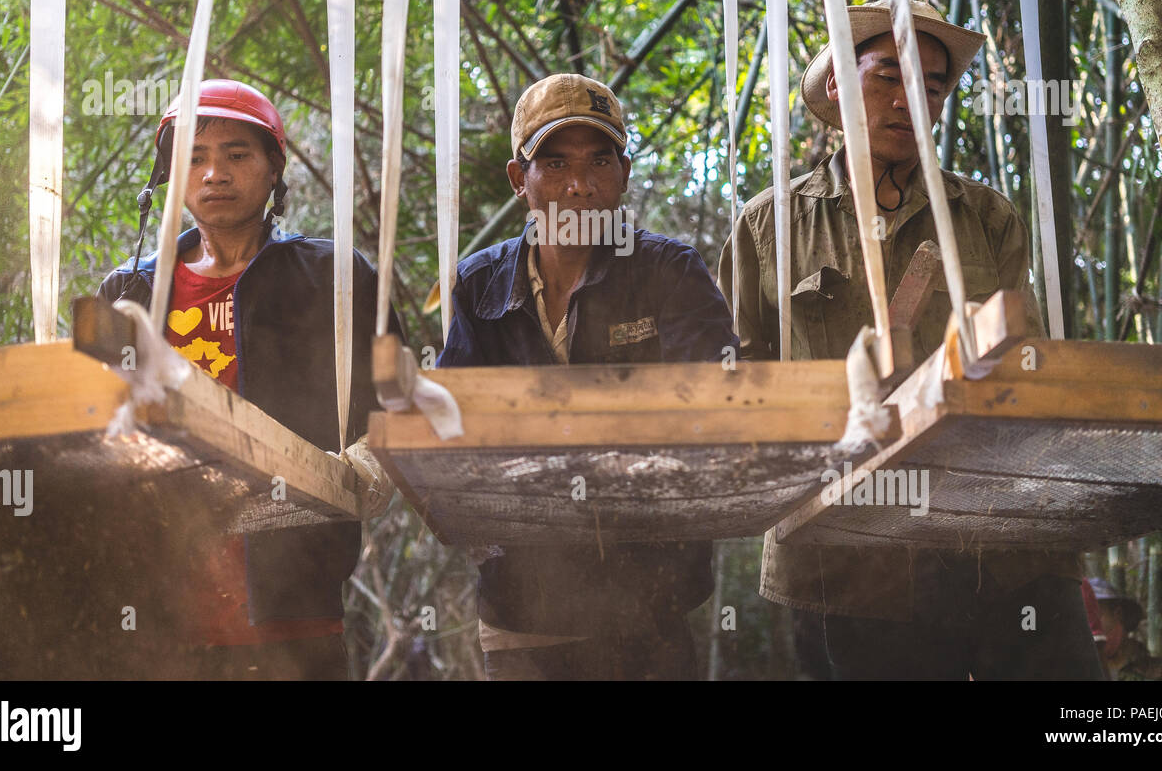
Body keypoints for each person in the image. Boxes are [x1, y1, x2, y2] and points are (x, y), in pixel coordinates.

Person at [720, 0, 1101, 679]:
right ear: (837, 85)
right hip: (849, 550)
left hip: (999, 537)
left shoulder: (984, 217)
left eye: (930, 87)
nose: (907, 102)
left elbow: (1031, 371)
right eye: (886, 78)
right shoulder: (767, 227)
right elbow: (738, 384)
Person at [98, 78, 402, 679]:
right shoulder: (128, 293)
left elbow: (399, 408)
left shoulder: (336, 280)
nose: (215, 173)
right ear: (171, 177)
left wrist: (359, 475)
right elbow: (99, 434)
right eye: (195, 158)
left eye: (237, 154)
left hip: (296, 605)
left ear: (273, 172)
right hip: (162, 609)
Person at [438, 72, 739, 680]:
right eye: (554, 163)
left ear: (623, 176)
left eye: (600, 161)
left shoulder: (667, 271)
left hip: (649, 601)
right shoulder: (480, 283)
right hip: (520, 599)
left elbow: (715, 411)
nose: (580, 186)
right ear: (519, 180)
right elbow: (453, 434)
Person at [1086, 576, 1162, 680]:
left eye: (1094, 615)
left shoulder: (1160, 672)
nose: (1089, 624)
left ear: (1118, 614)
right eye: (1083, 617)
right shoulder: (1076, 671)